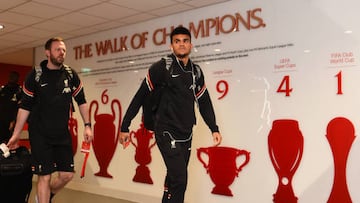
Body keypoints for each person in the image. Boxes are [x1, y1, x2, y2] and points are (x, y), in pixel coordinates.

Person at [119, 26, 222, 203]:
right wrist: (124, 126)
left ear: (191, 45)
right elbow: (140, 96)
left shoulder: (195, 72)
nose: (181, 45)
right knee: (181, 179)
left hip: (186, 133)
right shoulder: (162, 67)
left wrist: (214, 128)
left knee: (174, 179)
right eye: (177, 41)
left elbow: (204, 102)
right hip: (165, 131)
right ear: (171, 46)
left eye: (185, 41)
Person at [7, 37, 93, 203]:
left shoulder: (70, 74)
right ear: (47, 53)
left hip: (61, 133)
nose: (62, 53)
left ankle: (45, 197)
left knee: (67, 175)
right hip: (40, 133)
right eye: (57, 50)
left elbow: (81, 101)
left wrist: (88, 126)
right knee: (44, 176)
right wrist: (17, 133)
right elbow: (24, 107)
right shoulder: (36, 75)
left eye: (63, 50)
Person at [0, 71, 22, 144]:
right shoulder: (2, 89)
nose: (12, 78)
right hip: (1, 119)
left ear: (17, 79)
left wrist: (14, 120)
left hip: (12, 120)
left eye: (14, 76)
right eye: (11, 76)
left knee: (10, 141)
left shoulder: (19, 91)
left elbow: (20, 108)